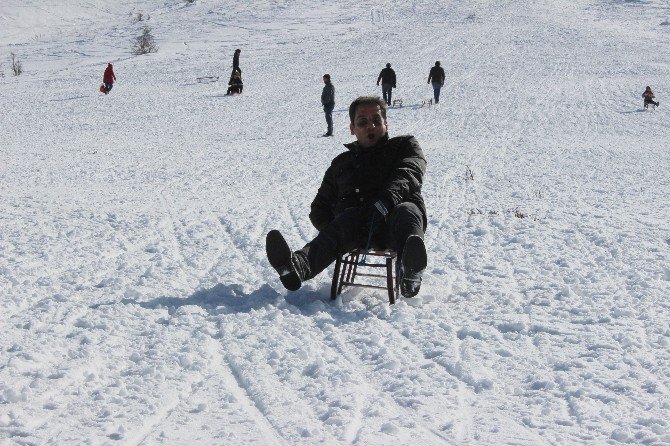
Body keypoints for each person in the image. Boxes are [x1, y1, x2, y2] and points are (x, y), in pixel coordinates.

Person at [266, 96, 428, 298]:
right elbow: (319, 209)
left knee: (407, 210)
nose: (371, 126)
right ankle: (297, 267)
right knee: (346, 219)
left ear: (386, 123)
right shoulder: (341, 164)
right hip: (357, 229)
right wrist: (336, 234)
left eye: (377, 120)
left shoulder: (405, 146)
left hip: (397, 223)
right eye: (363, 122)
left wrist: (386, 201)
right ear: (352, 128)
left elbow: (409, 172)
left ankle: (410, 271)